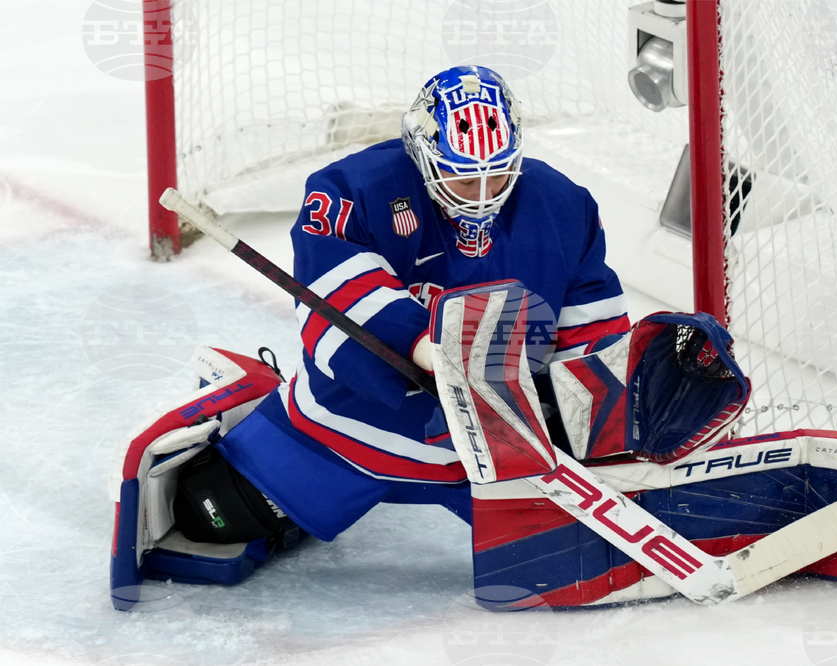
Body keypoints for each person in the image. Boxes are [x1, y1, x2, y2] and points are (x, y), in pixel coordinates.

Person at [110, 65, 630, 597]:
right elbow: (334, 287)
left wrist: (582, 414)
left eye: (496, 174)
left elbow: (593, 326)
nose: (480, 193)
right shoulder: (351, 189)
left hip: (500, 451)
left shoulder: (565, 204)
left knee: (581, 561)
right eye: (460, 175)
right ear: (423, 154)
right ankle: (252, 420)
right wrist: (422, 346)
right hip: (350, 433)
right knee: (209, 513)